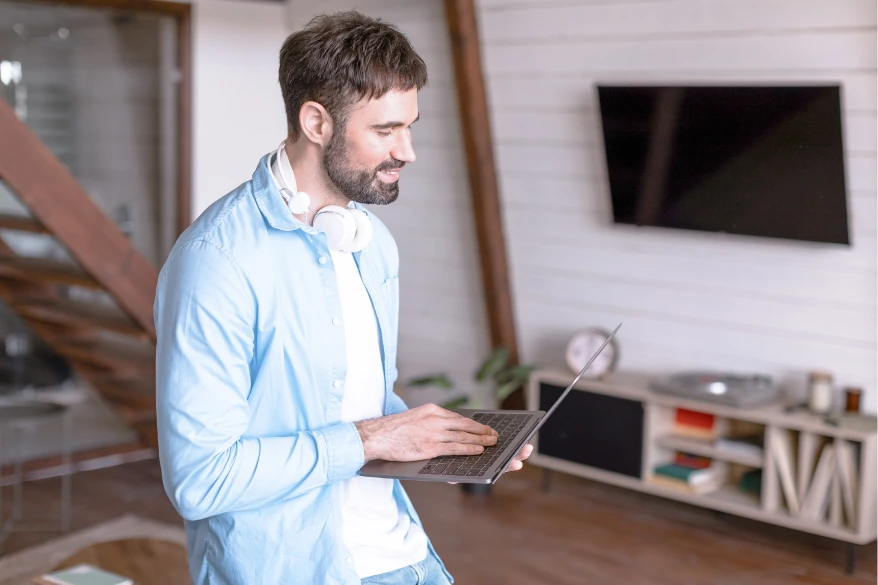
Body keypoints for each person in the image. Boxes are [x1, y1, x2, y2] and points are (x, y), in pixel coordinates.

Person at [154, 11, 532, 585]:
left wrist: (442, 446)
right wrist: (375, 438)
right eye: (385, 131)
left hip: (404, 558)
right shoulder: (216, 263)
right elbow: (200, 479)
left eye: (411, 127)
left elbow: (360, 403)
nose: (408, 152)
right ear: (316, 122)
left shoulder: (371, 243)